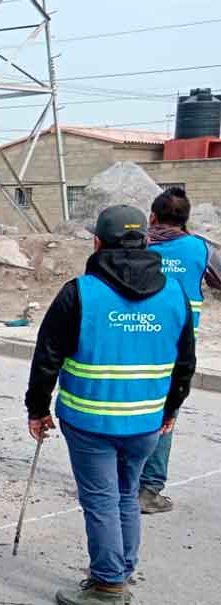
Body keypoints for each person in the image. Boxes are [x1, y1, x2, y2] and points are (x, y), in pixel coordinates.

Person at [25, 205, 195, 605]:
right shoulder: (175, 293)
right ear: (145, 239)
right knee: (125, 494)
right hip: (145, 422)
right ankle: (121, 568)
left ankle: (107, 585)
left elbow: (47, 357)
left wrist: (37, 409)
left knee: (101, 499)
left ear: (98, 242)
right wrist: (171, 410)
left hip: (89, 421)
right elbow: (185, 362)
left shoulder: (79, 291)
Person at [138, 187, 221, 514]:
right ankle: (148, 489)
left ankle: (115, 482)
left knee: (123, 405)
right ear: (186, 221)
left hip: (129, 335)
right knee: (165, 413)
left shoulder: (136, 243)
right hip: (174, 347)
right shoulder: (201, 249)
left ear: (153, 217)